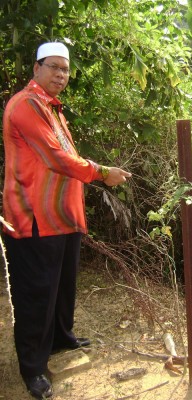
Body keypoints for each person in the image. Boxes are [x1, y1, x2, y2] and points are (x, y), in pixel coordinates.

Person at [2, 42, 131, 399]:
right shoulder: (25, 105)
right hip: (33, 218)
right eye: (54, 67)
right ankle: (33, 368)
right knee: (36, 295)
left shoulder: (52, 108)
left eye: (66, 69)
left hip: (62, 216)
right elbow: (56, 158)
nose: (61, 74)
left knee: (61, 287)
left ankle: (61, 338)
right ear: (36, 68)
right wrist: (102, 172)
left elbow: (65, 157)